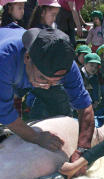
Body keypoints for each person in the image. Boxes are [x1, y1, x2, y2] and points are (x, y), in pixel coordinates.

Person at [0, 26, 95, 167]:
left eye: (55, 81)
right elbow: (4, 112)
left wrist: (83, 151)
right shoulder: (4, 59)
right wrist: (36, 137)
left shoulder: (67, 66)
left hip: (20, 74)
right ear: (27, 58)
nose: (48, 86)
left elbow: (85, 107)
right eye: (43, 79)